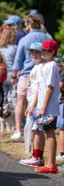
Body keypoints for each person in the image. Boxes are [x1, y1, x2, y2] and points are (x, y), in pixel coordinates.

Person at [11, 15, 49, 140]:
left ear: (30, 25)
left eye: (26, 25)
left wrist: (14, 74)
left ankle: (18, 129)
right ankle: (39, 127)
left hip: (26, 74)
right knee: (40, 101)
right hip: (43, 73)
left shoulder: (24, 39)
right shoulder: (46, 37)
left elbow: (18, 60)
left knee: (21, 102)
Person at [31, 39, 60, 174]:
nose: (42, 52)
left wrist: (43, 107)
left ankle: (51, 164)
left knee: (50, 133)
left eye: (45, 50)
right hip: (45, 105)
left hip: (49, 107)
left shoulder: (52, 66)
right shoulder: (46, 65)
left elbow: (50, 88)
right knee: (47, 132)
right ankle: (50, 163)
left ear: (52, 52)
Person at [19, 42, 45, 165]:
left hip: (36, 104)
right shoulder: (36, 66)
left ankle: (36, 157)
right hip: (33, 102)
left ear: (43, 53)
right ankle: (38, 156)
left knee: (36, 130)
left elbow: (40, 88)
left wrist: (32, 105)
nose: (34, 54)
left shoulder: (40, 68)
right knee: (35, 130)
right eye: (32, 52)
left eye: (37, 52)